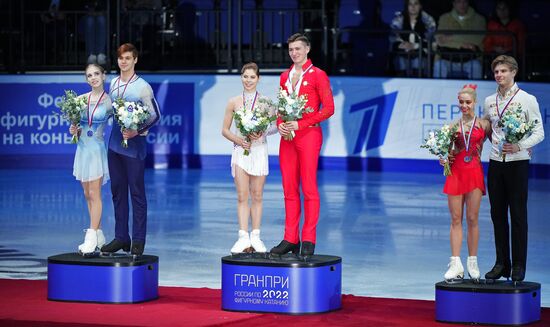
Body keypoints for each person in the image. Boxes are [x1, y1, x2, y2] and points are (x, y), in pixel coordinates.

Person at [270, 33, 335, 257]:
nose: (294, 53)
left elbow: (328, 109)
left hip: (308, 136)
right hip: (287, 138)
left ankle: (308, 237)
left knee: (308, 188)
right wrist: (280, 125)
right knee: (288, 189)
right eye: (291, 50)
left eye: (298, 49)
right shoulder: (284, 76)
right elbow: (281, 108)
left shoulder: (318, 75)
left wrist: (300, 123)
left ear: (307, 49)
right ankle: (290, 238)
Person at [483, 55, 544, 282]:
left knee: (518, 215)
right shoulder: (489, 100)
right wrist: (496, 144)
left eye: (503, 71)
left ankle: (519, 265)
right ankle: (501, 263)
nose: (499, 75)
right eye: (496, 71)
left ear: (514, 72)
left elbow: (539, 133)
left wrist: (520, 144)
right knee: (497, 215)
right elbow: (490, 128)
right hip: (495, 163)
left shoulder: (527, 99)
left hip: (518, 163)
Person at [100, 43, 161, 256]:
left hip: (134, 146)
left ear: (135, 60)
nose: (123, 62)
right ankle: (121, 237)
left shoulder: (143, 86)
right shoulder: (114, 83)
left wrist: (138, 131)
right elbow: (111, 112)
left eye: (127, 58)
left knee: (136, 192)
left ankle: (138, 239)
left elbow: (155, 115)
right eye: (120, 58)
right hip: (115, 145)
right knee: (117, 191)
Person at [221, 62, 277, 253]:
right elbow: (224, 130)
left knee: (258, 195)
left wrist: (262, 132)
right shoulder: (233, 102)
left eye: (252, 77)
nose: (248, 80)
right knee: (242, 195)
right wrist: (239, 140)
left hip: (259, 151)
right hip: (240, 152)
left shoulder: (266, 102)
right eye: (245, 76)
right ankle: (243, 237)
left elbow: (275, 126)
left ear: (258, 79)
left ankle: (256, 236)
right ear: (241, 77)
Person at [441, 84, 491, 283]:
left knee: (472, 218)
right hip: (456, 173)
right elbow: (450, 152)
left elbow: (495, 143)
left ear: (475, 103)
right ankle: (455, 263)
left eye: (468, 102)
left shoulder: (484, 125)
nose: (464, 106)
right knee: (455, 218)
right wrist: (444, 159)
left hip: (474, 173)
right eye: (461, 102)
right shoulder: (453, 127)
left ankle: (472, 261)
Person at [69, 63, 112, 256]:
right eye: (89, 75)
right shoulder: (79, 100)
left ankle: (91, 237)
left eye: (96, 74)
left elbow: (122, 124)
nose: (93, 77)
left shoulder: (110, 102)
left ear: (104, 76)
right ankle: (99, 235)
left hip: (96, 151)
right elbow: (75, 132)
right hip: (82, 151)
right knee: (87, 195)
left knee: (95, 194)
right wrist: (73, 131)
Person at [433, 0, 486, 79]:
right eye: (458, 2)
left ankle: (475, 91)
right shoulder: (444, 18)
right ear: (453, 3)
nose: (462, 5)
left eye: (464, 2)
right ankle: (437, 91)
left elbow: (477, 39)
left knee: (476, 66)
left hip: (470, 59)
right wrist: (461, 44)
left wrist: (452, 38)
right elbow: (440, 40)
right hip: (447, 58)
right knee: (439, 65)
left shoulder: (479, 19)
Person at [389, 0, 436, 76]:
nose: (413, 7)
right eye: (410, 4)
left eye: (416, 3)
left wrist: (414, 46)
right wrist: (402, 44)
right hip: (403, 53)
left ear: (420, 6)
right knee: (400, 61)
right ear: (406, 6)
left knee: (418, 61)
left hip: (422, 54)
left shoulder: (428, 20)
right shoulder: (399, 19)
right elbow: (393, 38)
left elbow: (431, 42)